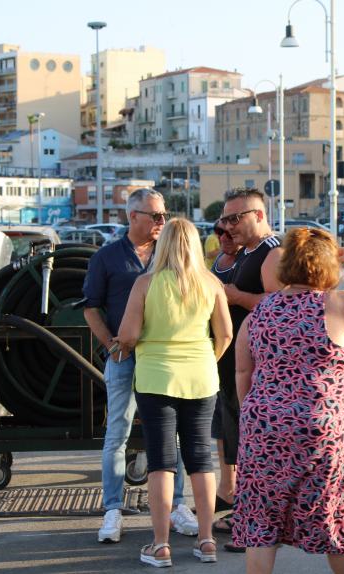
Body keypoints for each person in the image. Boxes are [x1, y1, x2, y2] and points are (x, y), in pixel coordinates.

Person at [232, 228, 344, 574]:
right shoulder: (337, 306)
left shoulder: (259, 314)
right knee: (335, 520)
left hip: (262, 428)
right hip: (321, 432)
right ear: (327, 267)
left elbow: (242, 374)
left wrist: (259, 418)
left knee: (261, 525)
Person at [82, 188, 198, 544]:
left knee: (170, 434)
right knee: (116, 433)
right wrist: (111, 346)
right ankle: (113, 509)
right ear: (132, 217)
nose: (162, 222)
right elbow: (91, 307)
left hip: (163, 357)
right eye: (156, 216)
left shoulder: (171, 255)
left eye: (164, 215)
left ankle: (178, 505)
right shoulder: (106, 257)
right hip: (126, 357)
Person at [117, 218, 234, 568]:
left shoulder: (145, 284)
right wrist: (205, 360)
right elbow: (225, 334)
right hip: (200, 378)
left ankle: (160, 544)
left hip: (156, 379)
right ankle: (207, 540)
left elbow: (128, 335)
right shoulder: (211, 283)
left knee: (161, 461)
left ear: (164, 244)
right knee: (200, 457)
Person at [213, 188, 283, 551]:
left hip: (256, 369)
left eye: (234, 219)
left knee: (254, 446)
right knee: (238, 441)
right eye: (224, 219)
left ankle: (254, 523)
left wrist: (236, 296)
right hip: (234, 366)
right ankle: (244, 510)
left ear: (257, 214)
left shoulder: (273, 252)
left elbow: (282, 302)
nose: (228, 226)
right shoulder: (247, 253)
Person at [208, 224, 241, 518]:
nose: (224, 238)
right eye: (219, 232)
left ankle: (237, 493)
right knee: (219, 425)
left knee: (234, 422)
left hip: (236, 352)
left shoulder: (244, 263)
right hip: (217, 354)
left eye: (229, 234)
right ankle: (226, 488)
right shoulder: (216, 262)